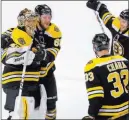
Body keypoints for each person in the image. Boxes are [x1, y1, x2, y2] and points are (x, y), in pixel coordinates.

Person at [1, 8, 47, 119]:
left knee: (36, 115)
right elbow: (4, 56)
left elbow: (40, 61)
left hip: (32, 83)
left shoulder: (35, 39)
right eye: (28, 20)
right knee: (22, 113)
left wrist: (41, 56)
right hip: (16, 81)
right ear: (21, 21)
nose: (32, 23)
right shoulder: (10, 33)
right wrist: (23, 57)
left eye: (33, 20)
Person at [82, 33, 129, 120]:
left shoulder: (92, 66)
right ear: (108, 45)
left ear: (95, 47)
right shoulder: (124, 60)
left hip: (108, 115)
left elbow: (96, 98)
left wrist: (91, 115)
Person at [33, 4, 62, 120]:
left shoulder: (54, 31)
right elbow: (16, 31)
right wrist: (6, 36)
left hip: (47, 72)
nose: (47, 20)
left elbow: (54, 52)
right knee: (32, 104)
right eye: (44, 17)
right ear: (37, 17)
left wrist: (43, 54)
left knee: (51, 105)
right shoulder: (30, 25)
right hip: (32, 74)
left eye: (49, 17)